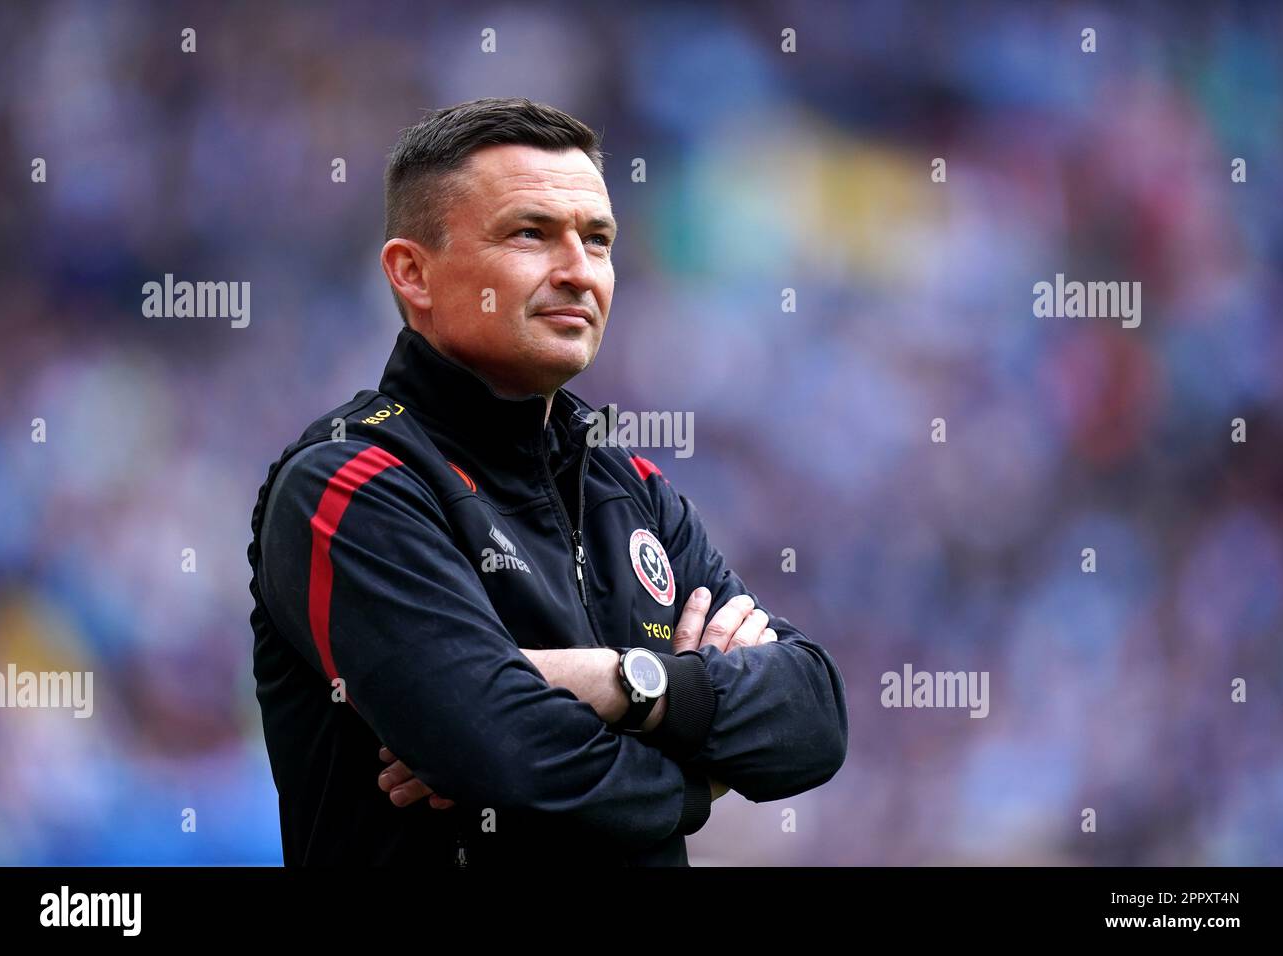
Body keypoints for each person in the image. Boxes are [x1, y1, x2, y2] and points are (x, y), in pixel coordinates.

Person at [247, 96, 848, 866]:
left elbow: (814, 718)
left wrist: (619, 680)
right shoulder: (350, 484)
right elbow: (504, 759)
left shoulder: (632, 487)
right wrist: (701, 770)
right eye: (531, 234)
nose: (578, 272)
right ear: (412, 273)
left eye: (597, 241)